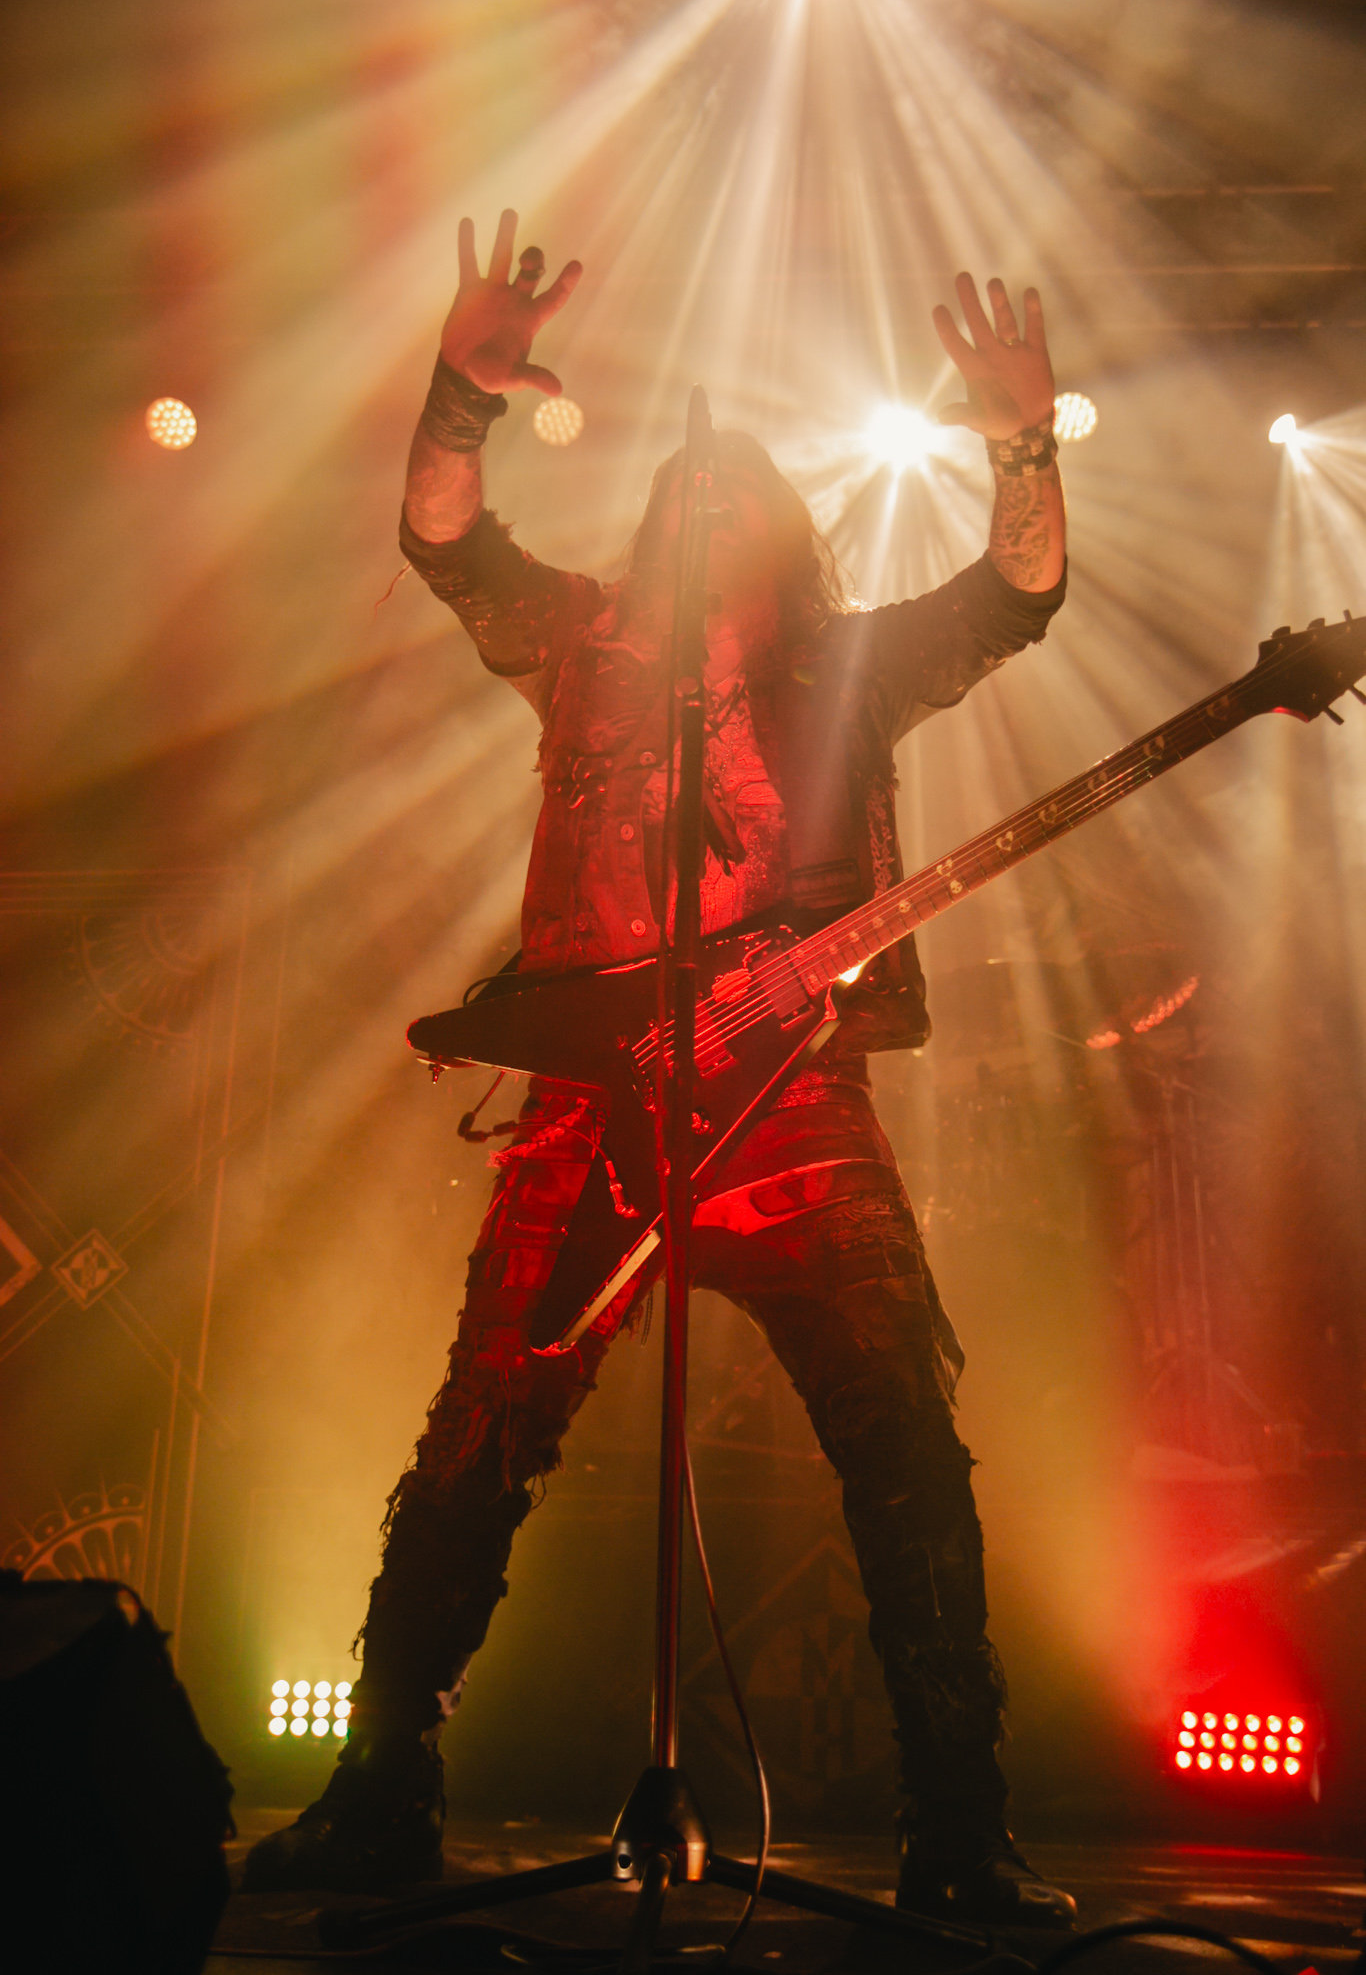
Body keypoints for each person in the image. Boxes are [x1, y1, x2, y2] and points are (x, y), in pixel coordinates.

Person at [245, 210, 1076, 1926]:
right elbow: (442, 542)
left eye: (732, 495)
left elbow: (1016, 599)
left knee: (905, 1442)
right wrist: (460, 399)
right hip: (590, 1102)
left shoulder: (851, 665)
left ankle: (958, 1829)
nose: (702, 506)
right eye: (681, 493)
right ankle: (382, 1793)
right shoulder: (582, 642)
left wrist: (1018, 444)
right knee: (477, 1435)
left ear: (780, 534)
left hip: (792, 1104)